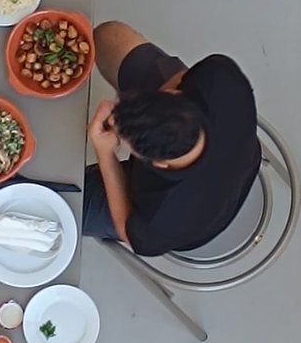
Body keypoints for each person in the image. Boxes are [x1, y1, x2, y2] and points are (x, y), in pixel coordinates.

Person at [82, 21, 261, 256]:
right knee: (107, 37)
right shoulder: (220, 82)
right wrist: (132, 111)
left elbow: (129, 230)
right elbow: (182, 77)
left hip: (176, 217)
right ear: (178, 95)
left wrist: (105, 153)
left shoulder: (165, 218)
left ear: (157, 163)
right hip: (237, 151)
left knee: (61, 202)